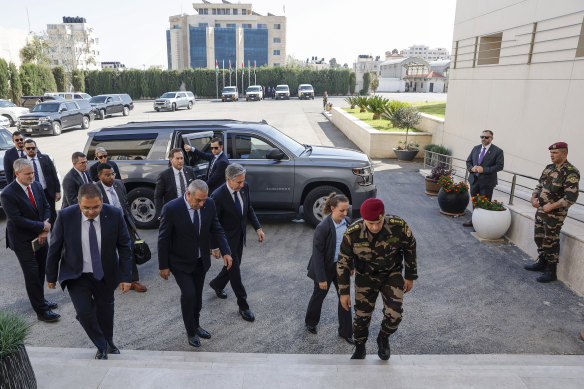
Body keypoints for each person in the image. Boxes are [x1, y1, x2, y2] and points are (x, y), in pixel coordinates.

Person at [46, 184, 133, 360]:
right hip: (77, 275)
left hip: (105, 274)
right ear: (78, 202)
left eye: (96, 207)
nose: (91, 212)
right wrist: (51, 275)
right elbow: (54, 247)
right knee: (84, 312)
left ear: (102, 201)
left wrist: (126, 277)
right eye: (86, 207)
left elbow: (124, 247)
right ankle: (101, 345)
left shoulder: (115, 214)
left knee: (106, 312)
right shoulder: (65, 216)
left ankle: (109, 341)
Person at [337, 198, 417, 360]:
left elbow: (410, 247)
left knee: (395, 315)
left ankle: (383, 337)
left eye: (378, 222)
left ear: (384, 216)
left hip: (391, 274)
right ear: (364, 219)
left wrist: (410, 275)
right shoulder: (353, 232)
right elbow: (343, 262)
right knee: (361, 317)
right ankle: (360, 347)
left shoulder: (398, 226)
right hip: (366, 277)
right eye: (370, 223)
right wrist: (344, 292)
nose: (374, 227)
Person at [157, 179, 232, 348]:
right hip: (179, 262)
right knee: (189, 294)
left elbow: (217, 228)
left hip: (200, 261)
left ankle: (197, 325)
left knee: (197, 297)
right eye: (198, 200)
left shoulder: (209, 204)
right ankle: (190, 331)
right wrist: (163, 266)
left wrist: (226, 251)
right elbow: (163, 239)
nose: (202, 203)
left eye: (204, 199)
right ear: (188, 194)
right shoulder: (171, 208)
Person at [1, 159, 60, 322]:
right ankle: (41, 312)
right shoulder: (8, 193)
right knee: (32, 274)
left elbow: (46, 207)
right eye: (28, 174)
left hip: (40, 235)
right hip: (22, 240)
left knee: (42, 270)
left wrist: (43, 228)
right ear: (17, 174)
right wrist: (41, 226)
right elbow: (16, 219)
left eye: (33, 172)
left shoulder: (36, 185)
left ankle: (41, 300)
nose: (32, 176)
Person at [208, 164, 265, 322]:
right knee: (235, 272)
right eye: (238, 182)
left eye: (243, 181)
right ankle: (243, 305)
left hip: (240, 236)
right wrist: (215, 246)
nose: (242, 185)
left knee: (233, 266)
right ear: (228, 180)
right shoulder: (217, 196)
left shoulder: (244, 187)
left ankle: (217, 284)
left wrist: (258, 228)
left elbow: (249, 209)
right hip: (225, 241)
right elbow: (212, 224)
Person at [524, 142, 579, 282]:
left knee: (551, 239)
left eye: (555, 153)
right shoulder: (549, 168)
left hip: (556, 213)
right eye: (551, 153)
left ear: (564, 153)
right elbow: (540, 184)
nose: (552, 155)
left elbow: (571, 197)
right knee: (539, 236)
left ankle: (551, 270)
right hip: (541, 209)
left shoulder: (571, 171)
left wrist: (553, 206)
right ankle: (542, 262)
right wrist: (534, 196)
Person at [305, 193, 354, 344]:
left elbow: (350, 248)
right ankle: (311, 322)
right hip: (325, 268)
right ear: (333, 208)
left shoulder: (347, 223)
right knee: (319, 296)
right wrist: (321, 278)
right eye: (342, 210)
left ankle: (345, 332)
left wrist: (351, 266)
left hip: (341, 268)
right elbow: (317, 255)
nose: (345, 213)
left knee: (344, 299)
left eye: (347, 210)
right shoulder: (323, 227)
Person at [96, 163, 147, 292]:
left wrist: (132, 223)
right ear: (100, 176)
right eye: (107, 175)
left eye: (113, 174)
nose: (111, 177)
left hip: (124, 222)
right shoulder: (95, 189)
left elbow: (126, 203)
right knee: (109, 254)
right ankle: (110, 281)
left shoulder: (119, 183)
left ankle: (132, 280)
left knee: (129, 251)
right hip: (106, 226)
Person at [463, 130, 504, 227]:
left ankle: (482, 225)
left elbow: (499, 166)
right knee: (475, 203)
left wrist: (484, 169)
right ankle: (474, 220)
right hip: (474, 180)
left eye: (486, 137)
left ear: (491, 138)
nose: (484, 139)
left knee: (485, 204)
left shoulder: (498, 151)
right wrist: (471, 168)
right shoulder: (476, 148)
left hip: (487, 183)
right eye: (482, 137)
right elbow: (468, 161)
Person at [22, 139, 61, 226]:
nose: (31, 150)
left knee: (52, 214)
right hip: (31, 193)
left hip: (47, 191)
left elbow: (54, 175)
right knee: (36, 215)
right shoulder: (21, 162)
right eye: (28, 148)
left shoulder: (45, 158)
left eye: (33, 148)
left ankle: (54, 234)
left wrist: (57, 191)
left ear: (36, 148)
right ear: (24, 149)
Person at [154, 148, 196, 218]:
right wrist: (160, 214)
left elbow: (195, 189)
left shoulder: (190, 170)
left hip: (190, 208)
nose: (180, 161)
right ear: (171, 160)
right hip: (173, 210)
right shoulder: (164, 175)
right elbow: (158, 197)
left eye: (181, 158)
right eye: (177, 158)